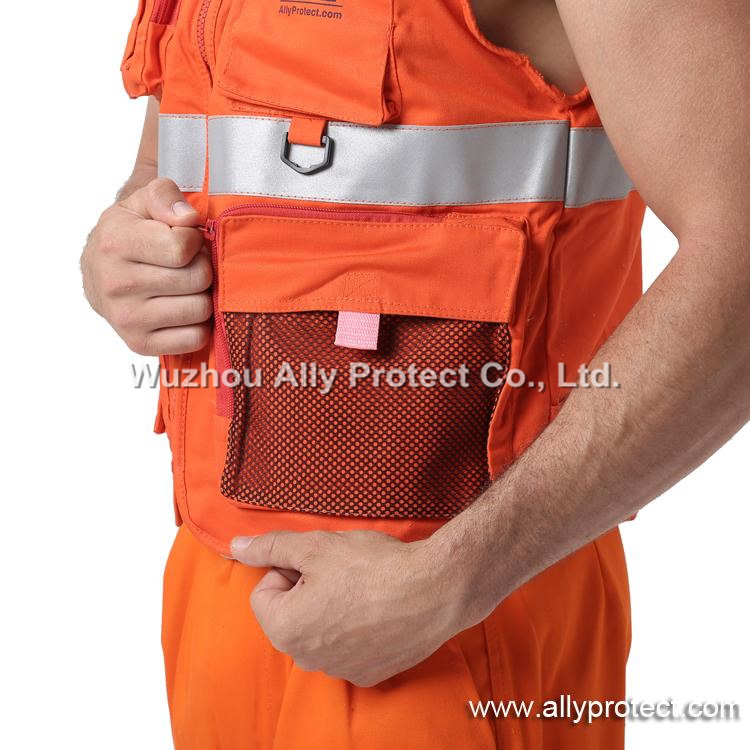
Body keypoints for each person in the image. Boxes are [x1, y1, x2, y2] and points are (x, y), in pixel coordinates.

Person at [80, 0, 749, 747]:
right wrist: (123, 257)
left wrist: (453, 582)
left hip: (447, 626)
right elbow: (176, 165)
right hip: (217, 594)